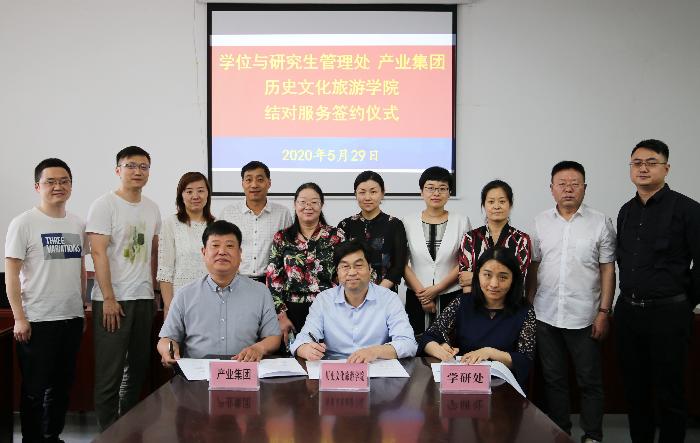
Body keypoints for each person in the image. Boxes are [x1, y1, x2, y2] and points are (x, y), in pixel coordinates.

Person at [615, 139, 700, 443]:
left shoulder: (688, 209)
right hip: (628, 313)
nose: (643, 168)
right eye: (637, 163)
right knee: (634, 390)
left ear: (666, 168)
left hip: (669, 314)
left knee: (669, 391)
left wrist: (684, 302)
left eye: (651, 162)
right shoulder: (625, 211)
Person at [527, 161, 615, 443]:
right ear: (551, 189)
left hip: (585, 315)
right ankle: (560, 433)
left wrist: (604, 311)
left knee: (590, 381)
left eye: (575, 184)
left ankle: (592, 435)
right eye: (562, 184)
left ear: (584, 188)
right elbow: (534, 267)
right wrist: (529, 306)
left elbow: (607, 269)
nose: (568, 189)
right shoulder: (540, 222)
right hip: (546, 314)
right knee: (554, 380)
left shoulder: (600, 222)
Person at [5, 158, 87, 443]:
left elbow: (80, 269)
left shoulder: (77, 223)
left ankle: (53, 436)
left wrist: (81, 309)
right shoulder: (24, 223)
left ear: (71, 186)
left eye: (64, 181)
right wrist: (19, 317)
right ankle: (33, 440)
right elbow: (12, 275)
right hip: (37, 320)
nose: (58, 186)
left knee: (62, 386)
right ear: (37, 186)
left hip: (71, 318)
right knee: (35, 389)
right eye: (50, 181)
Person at [87, 145, 162, 430]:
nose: (137, 171)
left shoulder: (152, 208)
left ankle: (127, 428)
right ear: (118, 170)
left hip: (143, 298)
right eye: (131, 165)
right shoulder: (104, 205)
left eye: (143, 167)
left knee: (138, 369)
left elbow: (153, 254)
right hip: (112, 300)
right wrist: (108, 297)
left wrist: (155, 292)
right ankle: (108, 431)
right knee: (110, 373)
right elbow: (98, 253)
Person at [157, 220, 281, 364]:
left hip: (244, 370)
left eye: (230, 246)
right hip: (198, 373)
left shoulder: (260, 292)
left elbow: (273, 337)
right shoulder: (185, 294)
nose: (222, 252)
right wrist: (168, 349)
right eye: (215, 245)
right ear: (203, 252)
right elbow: (166, 339)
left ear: (240, 253)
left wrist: (258, 348)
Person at [419, 247, 536, 386]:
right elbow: (428, 337)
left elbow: (525, 359)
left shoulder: (524, 311)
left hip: (504, 387)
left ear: (513, 280)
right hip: (464, 383)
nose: (494, 284)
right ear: (478, 274)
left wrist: (490, 352)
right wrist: (440, 350)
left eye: (503, 277)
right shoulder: (462, 303)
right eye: (487, 275)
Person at [291, 239, 417, 361]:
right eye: (345, 266)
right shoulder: (324, 300)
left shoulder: (389, 299)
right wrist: (306, 349)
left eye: (358, 265)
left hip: (374, 367)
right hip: (335, 370)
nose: (352, 272)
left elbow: (408, 343)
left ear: (370, 268)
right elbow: (302, 339)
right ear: (337, 271)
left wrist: (375, 351)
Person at [266, 182, 345, 345]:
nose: (308, 207)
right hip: (291, 310)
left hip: (329, 308)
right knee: (295, 354)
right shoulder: (282, 237)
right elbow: (274, 279)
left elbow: (344, 272)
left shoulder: (336, 236)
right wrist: (281, 316)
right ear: (295, 205)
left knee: (326, 353)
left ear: (321, 205)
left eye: (314, 202)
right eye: (302, 202)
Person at [402, 166, 470, 334]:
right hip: (417, 295)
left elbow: (465, 261)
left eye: (442, 188)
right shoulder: (407, 222)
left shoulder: (462, 221)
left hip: (451, 294)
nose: (436, 193)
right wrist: (423, 295)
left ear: (449, 192)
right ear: (421, 192)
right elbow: (402, 263)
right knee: (416, 341)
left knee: (450, 341)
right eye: (430, 188)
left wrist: (437, 288)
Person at [219, 161, 292, 282]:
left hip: (271, 282)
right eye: (249, 180)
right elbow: (219, 247)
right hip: (234, 280)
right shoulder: (228, 213)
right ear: (242, 183)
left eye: (260, 179)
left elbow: (289, 250)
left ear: (269, 183)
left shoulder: (282, 213)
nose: (254, 185)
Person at [338, 171, 408, 292]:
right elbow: (339, 264)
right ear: (355, 194)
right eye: (362, 192)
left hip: (385, 293)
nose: (367, 197)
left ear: (382, 193)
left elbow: (398, 266)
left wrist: (377, 292)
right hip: (352, 293)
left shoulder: (394, 225)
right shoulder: (345, 225)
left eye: (373, 192)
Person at [457, 180, 531, 294]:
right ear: (484, 205)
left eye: (502, 201)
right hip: (475, 301)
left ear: (510, 204)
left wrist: (475, 277)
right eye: (491, 202)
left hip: (511, 302)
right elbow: (465, 280)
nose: (496, 206)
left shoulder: (522, 240)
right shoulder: (470, 238)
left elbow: (519, 279)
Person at [157, 172, 215, 317]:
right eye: (189, 191)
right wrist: (169, 307)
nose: (195, 196)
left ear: (207, 194)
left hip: (213, 300)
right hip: (180, 302)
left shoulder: (216, 225)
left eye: (200, 190)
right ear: (181, 195)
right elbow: (165, 271)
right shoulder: (171, 224)